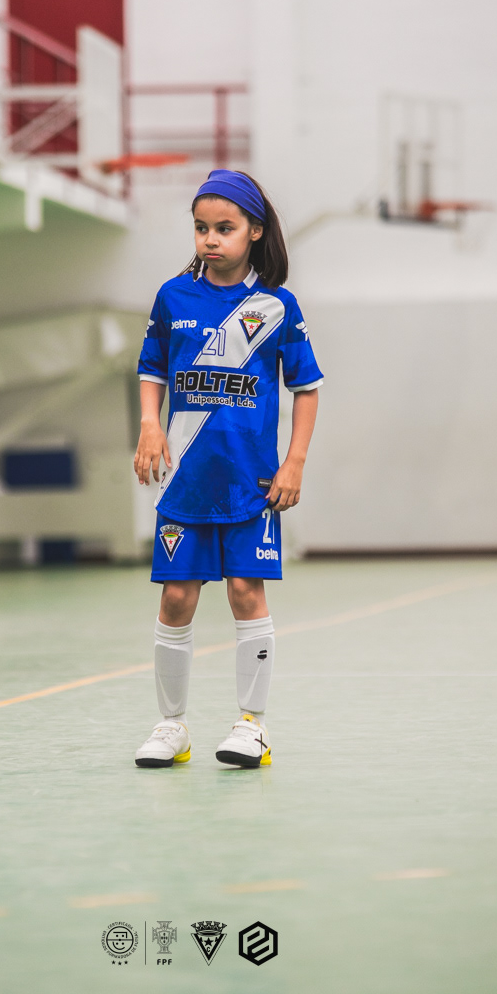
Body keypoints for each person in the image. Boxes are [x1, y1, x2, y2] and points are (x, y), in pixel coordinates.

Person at [133, 169, 323, 769]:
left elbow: (307, 389)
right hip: (185, 484)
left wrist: (294, 463)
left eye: (224, 228)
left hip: (251, 485)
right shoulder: (173, 298)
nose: (210, 239)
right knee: (176, 600)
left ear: (254, 231)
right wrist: (150, 424)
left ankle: (252, 726)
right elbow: (152, 369)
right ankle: (172, 727)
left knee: (246, 592)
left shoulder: (277, 307)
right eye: (201, 228)